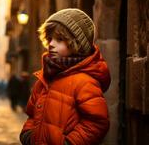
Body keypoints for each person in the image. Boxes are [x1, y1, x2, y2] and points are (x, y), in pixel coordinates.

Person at [20, 8, 111, 145]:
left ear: (77, 44)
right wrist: (28, 135)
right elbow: (33, 113)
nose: (51, 44)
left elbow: (97, 122)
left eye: (60, 39)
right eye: (50, 38)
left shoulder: (84, 81)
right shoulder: (46, 77)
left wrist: (69, 143)